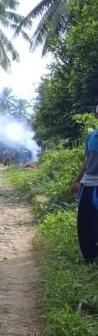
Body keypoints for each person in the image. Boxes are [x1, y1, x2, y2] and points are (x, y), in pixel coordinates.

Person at [70, 104, 98, 263]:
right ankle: (89, 257)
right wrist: (77, 180)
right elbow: (87, 160)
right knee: (84, 222)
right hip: (88, 184)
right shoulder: (91, 137)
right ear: (95, 116)